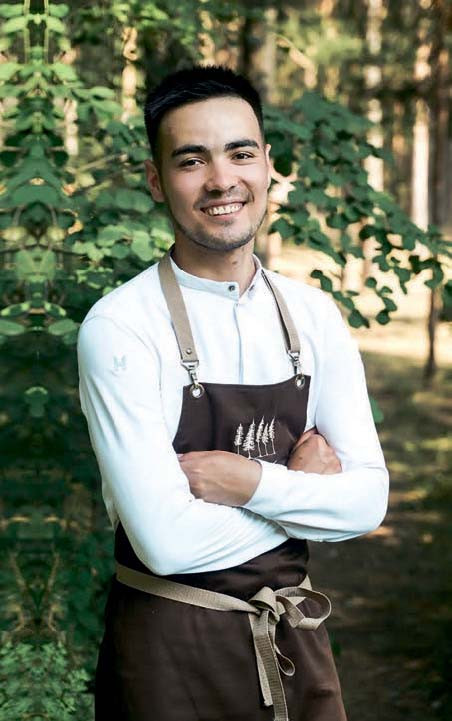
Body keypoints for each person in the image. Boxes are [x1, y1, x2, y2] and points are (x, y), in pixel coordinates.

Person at [77, 65, 389, 721]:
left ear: (268, 164)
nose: (222, 180)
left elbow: (367, 502)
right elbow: (166, 543)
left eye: (240, 153)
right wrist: (307, 493)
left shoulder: (313, 315)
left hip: (294, 642)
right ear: (156, 180)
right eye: (192, 160)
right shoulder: (121, 325)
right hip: (167, 657)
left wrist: (248, 481)